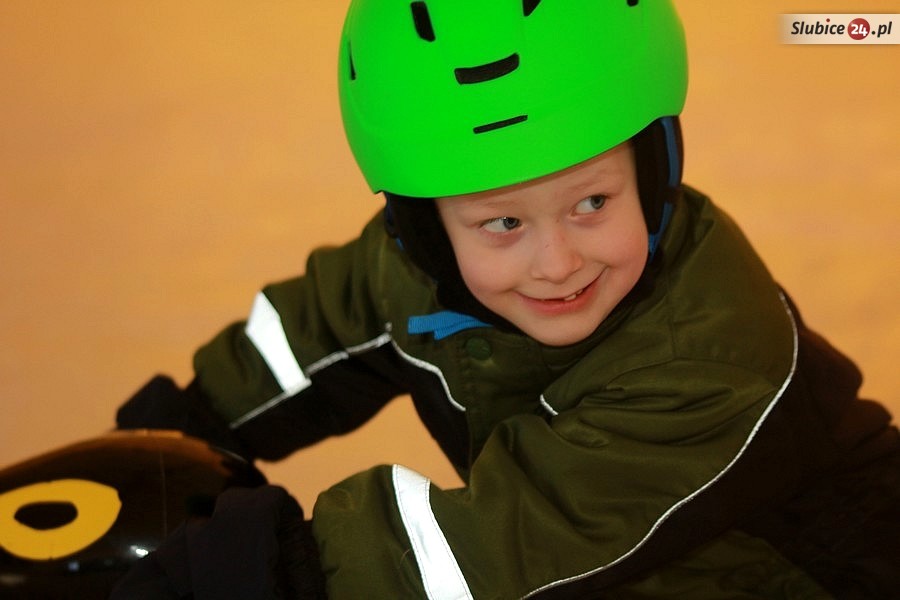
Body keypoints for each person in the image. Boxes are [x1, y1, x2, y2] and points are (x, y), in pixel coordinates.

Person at [112, 0, 900, 598]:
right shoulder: (417, 268)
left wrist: (278, 568)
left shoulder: (709, 356)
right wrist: (185, 428)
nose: (557, 263)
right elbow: (316, 328)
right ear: (424, 230)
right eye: (504, 223)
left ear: (655, 173)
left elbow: (490, 547)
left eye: (592, 202)